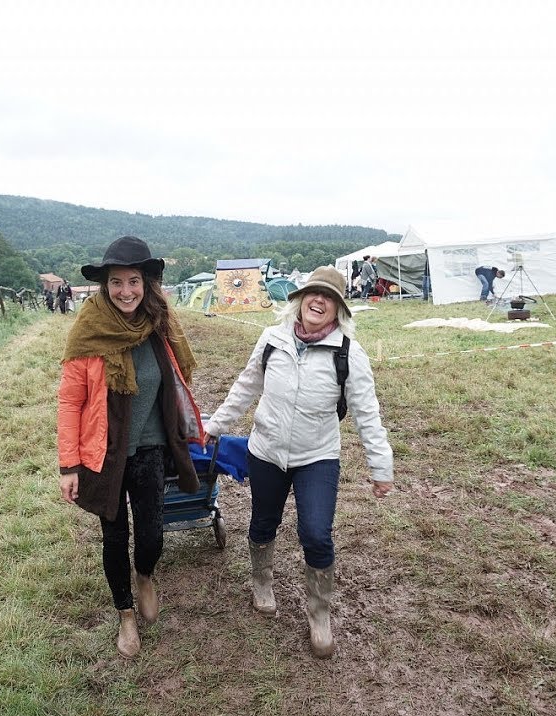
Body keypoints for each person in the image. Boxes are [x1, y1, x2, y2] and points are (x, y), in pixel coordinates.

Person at [202, 265, 394, 659]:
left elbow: (366, 412)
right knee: (262, 523)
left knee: (317, 533)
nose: (319, 301)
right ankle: (262, 582)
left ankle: (319, 613)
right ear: (300, 299)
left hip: (317, 456)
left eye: (330, 297)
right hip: (267, 451)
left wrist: (381, 467)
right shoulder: (272, 339)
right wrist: (215, 426)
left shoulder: (348, 354)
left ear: (338, 309)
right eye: (314, 293)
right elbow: (246, 386)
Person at [56, 235, 204, 659]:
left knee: (153, 533)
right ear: (105, 284)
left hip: (153, 448)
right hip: (103, 452)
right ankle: (124, 615)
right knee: (114, 537)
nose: (126, 291)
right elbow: (70, 400)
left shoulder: (159, 325)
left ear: (146, 284)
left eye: (134, 281)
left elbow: (177, 380)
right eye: (117, 282)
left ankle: (145, 576)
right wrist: (69, 464)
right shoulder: (89, 331)